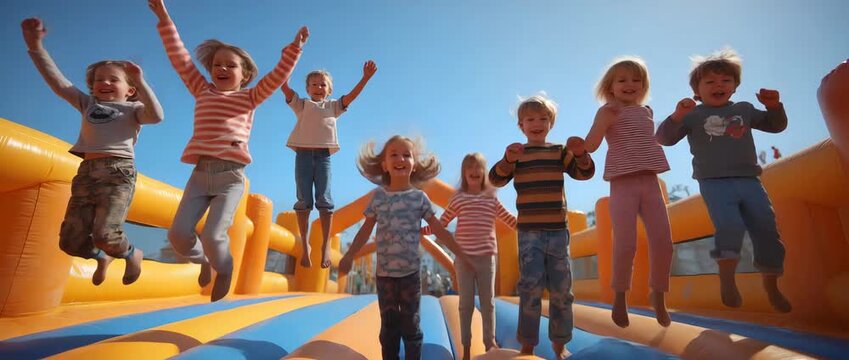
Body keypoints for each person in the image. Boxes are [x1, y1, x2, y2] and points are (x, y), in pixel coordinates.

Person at [148, 0, 307, 301]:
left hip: (230, 178)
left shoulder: (250, 97)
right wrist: (163, 17)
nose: (221, 68)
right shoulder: (201, 89)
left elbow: (276, 76)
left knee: (212, 234)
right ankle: (203, 261)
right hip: (200, 175)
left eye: (230, 65)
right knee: (178, 236)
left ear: (244, 74)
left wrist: (294, 49)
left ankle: (224, 267)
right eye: (217, 64)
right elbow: (179, 57)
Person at [21, 17, 163, 286]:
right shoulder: (87, 104)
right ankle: (101, 257)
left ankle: (132, 253)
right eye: (99, 79)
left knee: (106, 233)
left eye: (113, 79)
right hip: (86, 173)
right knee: (70, 241)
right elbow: (57, 82)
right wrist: (35, 47)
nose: (104, 83)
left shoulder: (134, 109)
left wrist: (142, 82)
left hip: (117, 173)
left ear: (130, 90)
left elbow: (157, 116)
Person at [656, 48, 792, 313]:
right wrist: (676, 116)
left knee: (766, 228)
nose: (718, 85)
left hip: (749, 180)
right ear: (697, 91)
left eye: (725, 81)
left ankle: (771, 284)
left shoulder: (744, 109)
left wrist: (774, 106)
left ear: (734, 86)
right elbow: (664, 138)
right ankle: (727, 278)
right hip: (714, 182)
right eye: (710, 82)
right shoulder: (693, 116)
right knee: (729, 226)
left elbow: (776, 126)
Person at [339, 135, 468, 360]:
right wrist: (350, 254)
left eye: (406, 154)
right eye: (394, 154)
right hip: (385, 276)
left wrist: (460, 253)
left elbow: (438, 229)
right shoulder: (378, 197)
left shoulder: (419, 198)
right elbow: (366, 229)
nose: (400, 159)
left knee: (411, 325)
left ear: (414, 163)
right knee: (388, 327)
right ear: (384, 165)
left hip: (409, 275)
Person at [489, 94, 595, 359]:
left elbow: (585, 173)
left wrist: (581, 154)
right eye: (530, 119)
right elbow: (495, 179)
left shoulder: (559, 152)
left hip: (558, 231)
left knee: (562, 290)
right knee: (530, 288)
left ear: (551, 123)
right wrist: (507, 160)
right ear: (521, 126)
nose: (537, 123)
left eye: (543, 119)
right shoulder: (518, 154)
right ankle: (528, 344)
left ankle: (560, 344)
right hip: (529, 233)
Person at [581, 57, 673, 327]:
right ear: (611, 87)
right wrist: (598, 127)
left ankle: (659, 295)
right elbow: (591, 145)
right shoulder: (608, 111)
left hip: (650, 181)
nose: (630, 85)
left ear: (643, 85)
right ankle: (620, 297)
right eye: (622, 80)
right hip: (622, 183)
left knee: (663, 241)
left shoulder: (647, 111)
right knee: (626, 243)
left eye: (636, 80)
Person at [281, 62, 377, 268]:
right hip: (303, 156)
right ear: (307, 89)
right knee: (304, 200)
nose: (318, 88)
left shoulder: (333, 106)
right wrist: (285, 70)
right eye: (314, 85)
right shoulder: (302, 105)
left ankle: (325, 245)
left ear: (329, 89)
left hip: (324, 156)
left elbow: (351, 96)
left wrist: (365, 78)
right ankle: (305, 244)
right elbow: (285, 88)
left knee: (324, 199)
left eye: (323, 85)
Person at [423, 153, 517, 359]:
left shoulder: (491, 196)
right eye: (470, 168)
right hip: (464, 259)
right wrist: (423, 230)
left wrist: (527, 223)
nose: (474, 172)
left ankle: (489, 342)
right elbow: (443, 222)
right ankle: (466, 346)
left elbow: (509, 219)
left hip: (486, 258)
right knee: (465, 304)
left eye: (478, 168)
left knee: (488, 302)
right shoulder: (458, 198)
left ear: (484, 173)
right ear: (464, 173)